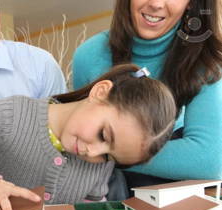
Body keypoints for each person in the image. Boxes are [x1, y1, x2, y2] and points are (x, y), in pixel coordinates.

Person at [0, 64, 177, 210]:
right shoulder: (14, 114)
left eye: (109, 157)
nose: (93, 152)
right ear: (100, 92)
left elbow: (90, 209)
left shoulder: (98, 165)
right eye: (103, 135)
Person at [72, 0, 222, 196]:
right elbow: (77, 139)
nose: (156, 4)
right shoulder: (88, 56)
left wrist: (105, 150)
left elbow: (208, 160)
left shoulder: (207, 60)